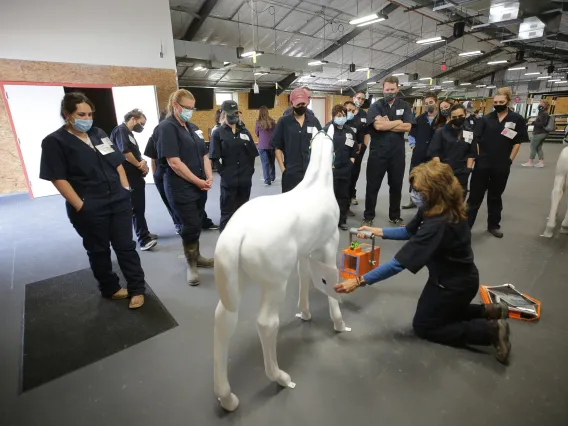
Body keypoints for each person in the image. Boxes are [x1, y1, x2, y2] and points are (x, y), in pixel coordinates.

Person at [335, 161, 511, 364]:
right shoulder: (434, 206)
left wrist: (358, 281)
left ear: (434, 191)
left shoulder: (438, 224)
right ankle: (490, 311)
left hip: (453, 285)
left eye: (419, 190)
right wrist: (379, 232)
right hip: (450, 279)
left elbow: (397, 264)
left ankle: (490, 331)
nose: (414, 194)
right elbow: (408, 231)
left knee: (426, 325)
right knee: (439, 312)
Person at [40, 92, 146, 309]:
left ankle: (137, 288)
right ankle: (110, 288)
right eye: (81, 114)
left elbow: (116, 161)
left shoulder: (98, 133)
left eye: (90, 114)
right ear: (67, 114)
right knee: (98, 250)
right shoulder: (55, 142)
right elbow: (57, 178)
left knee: (126, 246)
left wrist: (125, 188)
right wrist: (80, 205)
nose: (87, 119)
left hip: (118, 200)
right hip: (90, 206)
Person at [156, 89, 214, 286]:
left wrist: (208, 176)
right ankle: (191, 264)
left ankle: (197, 257)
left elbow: (204, 155)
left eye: (192, 108)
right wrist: (198, 181)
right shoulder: (167, 128)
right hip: (180, 186)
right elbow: (174, 162)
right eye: (186, 108)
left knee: (197, 221)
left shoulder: (193, 127)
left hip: (199, 185)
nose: (190, 111)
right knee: (189, 225)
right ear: (175, 106)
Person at [467, 87, 529, 238]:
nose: (498, 104)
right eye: (495, 102)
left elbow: (517, 142)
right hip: (483, 164)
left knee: (495, 196)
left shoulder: (517, 119)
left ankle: (493, 225)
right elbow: (475, 140)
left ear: (508, 101)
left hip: (501, 164)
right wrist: (476, 159)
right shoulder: (485, 119)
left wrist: (509, 160)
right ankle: (465, 226)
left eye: (501, 102)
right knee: (475, 197)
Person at [363, 75, 414, 226]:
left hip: (397, 155)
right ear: (383, 90)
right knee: (372, 186)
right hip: (377, 154)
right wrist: (398, 122)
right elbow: (378, 126)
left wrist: (388, 123)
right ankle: (368, 216)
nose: (389, 92)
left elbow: (408, 126)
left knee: (396, 185)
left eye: (392, 89)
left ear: (398, 89)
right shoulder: (376, 106)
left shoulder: (404, 105)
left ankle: (395, 215)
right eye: (387, 89)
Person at [110, 109, 157, 251]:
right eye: (141, 123)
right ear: (133, 118)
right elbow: (125, 152)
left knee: (139, 206)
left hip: (135, 175)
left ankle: (145, 232)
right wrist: (139, 164)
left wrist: (141, 162)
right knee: (136, 207)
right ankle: (143, 240)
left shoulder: (128, 133)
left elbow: (133, 152)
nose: (141, 127)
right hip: (128, 176)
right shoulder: (121, 130)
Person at [210, 100, 259, 232]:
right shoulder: (218, 133)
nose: (235, 116)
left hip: (244, 179)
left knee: (243, 211)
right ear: (224, 114)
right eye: (232, 114)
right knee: (227, 213)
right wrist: (224, 174)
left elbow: (252, 154)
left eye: (236, 113)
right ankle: (225, 241)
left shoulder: (245, 131)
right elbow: (215, 158)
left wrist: (249, 172)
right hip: (229, 180)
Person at [271, 87, 322, 193]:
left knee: (309, 203)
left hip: (310, 171)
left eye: (303, 104)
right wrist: (283, 169)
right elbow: (277, 147)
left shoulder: (313, 121)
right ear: (291, 104)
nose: (301, 107)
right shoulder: (284, 122)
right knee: (290, 205)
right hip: (291, 172)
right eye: (298, 104)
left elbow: (320, 143)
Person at [403, 92, 445, 209]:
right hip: (419, 154)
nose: (428, 105)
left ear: (436, 103)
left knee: (434, 179)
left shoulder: (442, 120)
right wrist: (413, 146)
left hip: (435, 156)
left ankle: (433, 203)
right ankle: (413, 200)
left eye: (430, 102)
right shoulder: (419, 119)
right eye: (426, 103)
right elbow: (411, 135)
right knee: (415, 178)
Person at [144, 110, 183, 234]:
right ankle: (178, 223)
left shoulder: (181, 132)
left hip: (181, 171)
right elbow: (153, 157)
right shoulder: (158, 132)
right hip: (163, 171)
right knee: (169, 200)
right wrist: (156, 176)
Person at [429, 104, 477, 195]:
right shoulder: (440, 132)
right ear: (450, 117)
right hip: (444, 173)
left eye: (460, 116)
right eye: (454, 117)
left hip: (462, 173)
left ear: (465, 114)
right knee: (442, 202)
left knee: (459, 202)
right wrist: (440, 171)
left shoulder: (469, 133)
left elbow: (472, 152)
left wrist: (468, 169)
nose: (457, 118)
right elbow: (434, 153)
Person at [323, 104, 358, 230]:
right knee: (330, 196)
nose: (341, 117)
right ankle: (328, 222)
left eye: (343, 115)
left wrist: (352, 160)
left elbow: (354, 147)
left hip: (346, 169)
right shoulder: (327, 129)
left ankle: (342, 220)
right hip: (331, 170)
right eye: (338, 115)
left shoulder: (349, 131)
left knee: (343, 196)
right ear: (333, 116)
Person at [344, 91, 370, 209]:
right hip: (345, 152)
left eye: (362, 99)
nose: (360, 100)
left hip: (358, 150)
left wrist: (363, 148)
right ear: (354, 98)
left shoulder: (364, 115)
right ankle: (343, 200)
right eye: (358, 98)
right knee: (344, 177)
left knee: (354, 174)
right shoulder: (345, 116)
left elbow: (365, 134)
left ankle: (351, 196)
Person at [522, 99, 551, 168]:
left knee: (533, 147)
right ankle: (541, 163)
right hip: (542, 133)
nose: (539, 104)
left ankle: (530, 162)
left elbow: (542, 124)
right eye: (540, 103)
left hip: (539, 133)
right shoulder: (542, 113)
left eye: (541, 103)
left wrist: (532, 122)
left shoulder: (543, 113)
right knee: (538, 148)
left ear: (545, 105)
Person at [255, 105, 276, 186]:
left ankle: (267, 180)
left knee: (265, 163)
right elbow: (275, 133)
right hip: (271, 145)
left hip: (262, 146)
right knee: (271, 162)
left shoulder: (258, 122)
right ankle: (272, 177)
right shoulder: (272, 121)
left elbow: (257, 133)